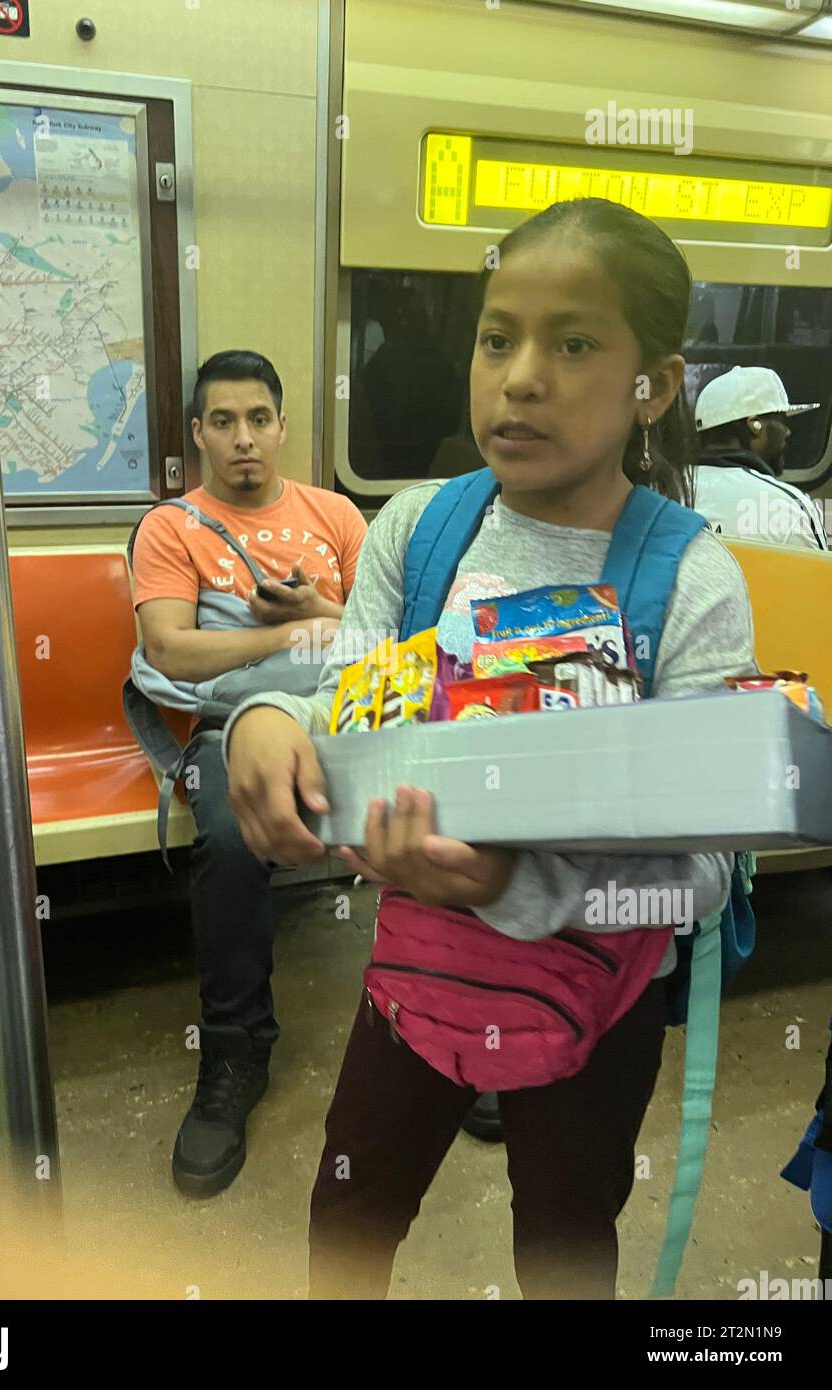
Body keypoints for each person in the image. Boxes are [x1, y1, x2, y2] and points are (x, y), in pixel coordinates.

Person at [224, 198, 757, 1299]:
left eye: (573, 344)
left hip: (595, 1010)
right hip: (415, 983)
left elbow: (703, 873)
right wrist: (263, 722)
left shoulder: (690, 583)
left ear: (652, 384)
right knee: (348, 1218)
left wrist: (518, 881)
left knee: (563, 1246)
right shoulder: (420, 529)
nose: (519, 377)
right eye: (496, 336)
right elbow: (346, 704)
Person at [131, 350, 367, 1196]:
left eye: (258, 419)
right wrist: (285, 636)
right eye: (222, 422)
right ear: (198, 434)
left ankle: (463, 1031)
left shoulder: (335, 515)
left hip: (346, 715)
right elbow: (171, 649)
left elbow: (388, 634)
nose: (243, 439)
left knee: (443, 799)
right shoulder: (172, 528)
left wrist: (318, 611)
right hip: (230, 726)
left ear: (280, 426)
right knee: (229, 837)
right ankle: (234, 1051)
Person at [693, 365, 827, 550]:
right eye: (781, 420)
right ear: (754, 425)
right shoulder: (787, 506)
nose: (787, 432)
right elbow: (817, 578)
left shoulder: (666, 491)